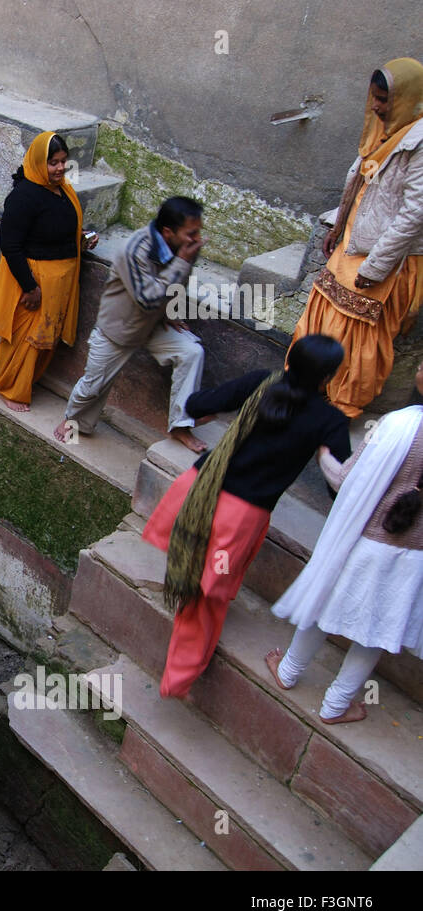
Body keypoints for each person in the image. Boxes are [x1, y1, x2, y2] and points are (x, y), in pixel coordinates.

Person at [141, 334, 351, 698]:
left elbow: (194, 403)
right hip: (235, 523)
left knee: (208, 574)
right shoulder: (329, 420)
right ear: (328, 377)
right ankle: (178, 679)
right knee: (208, 596)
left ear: (290, 359)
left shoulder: (260, 383)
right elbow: (340, 489)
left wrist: (226, 408)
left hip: (197, 493)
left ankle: (201, 592)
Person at [266, 359, 423, 722]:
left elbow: (344, 480)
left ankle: (288, 671)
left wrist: (323, 450)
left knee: (324, 604)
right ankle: (336, 706)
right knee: (376, 632)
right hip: (415, 556)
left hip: (369, 545)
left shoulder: (399, 425)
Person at [290, 58, 423, 418]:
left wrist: (376, 267)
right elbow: (359, 180)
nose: (376, 106)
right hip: (355, 241)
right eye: (374, 98)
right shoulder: (381, 130)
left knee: (357, 332)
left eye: (384, 100)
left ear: (408, 99)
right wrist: (338, 225)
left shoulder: (419, 142)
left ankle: (337, 410)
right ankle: (304, 388)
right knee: (323, 312)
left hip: (388, 257)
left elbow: (415, 213)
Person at [52, 196, 208, 452]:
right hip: (119, 328)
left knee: (192, 352)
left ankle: (181, 425)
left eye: (198, 232)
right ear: (168, 232)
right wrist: (180, 263)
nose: (196, 239)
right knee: (93, 386)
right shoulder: (135, 249)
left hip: (154, 321)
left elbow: (178, 283)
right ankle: (72, 421)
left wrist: (170, 311)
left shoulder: (185, 247)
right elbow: (146, 298)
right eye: (191, 233)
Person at [0, 131, 98, 411]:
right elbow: (10, 245)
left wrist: (81, 238)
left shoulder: (63, 191)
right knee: (27, 339)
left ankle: (28, 382)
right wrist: (30, 286)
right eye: (53, 163)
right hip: (35, 280)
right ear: (37, 162)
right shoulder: (23, 196)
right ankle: (11, 388)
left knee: (48, 337)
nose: (60, 168)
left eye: (63, 162)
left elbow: (58, 227)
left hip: (61, 281)